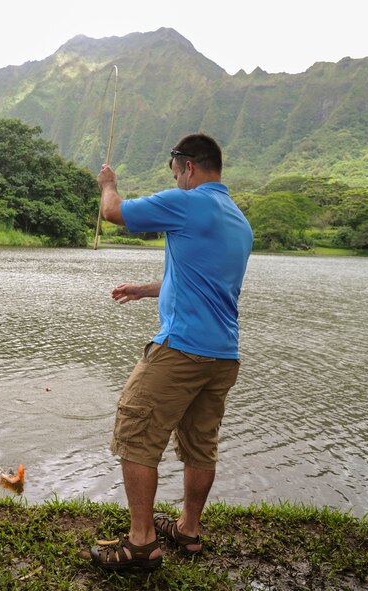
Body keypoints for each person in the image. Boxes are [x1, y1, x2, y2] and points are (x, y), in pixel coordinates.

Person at [88, 134, 253, 571]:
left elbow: (113, 211)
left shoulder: (190, 202)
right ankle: (188, 530)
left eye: (174, 170)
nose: (176, 178)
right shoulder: (237, 219)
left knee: (135, 427)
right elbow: (203, 281)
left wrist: (108, 182)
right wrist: (145, 290)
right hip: (223, 354)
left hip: (181, 349)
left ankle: (140, 544)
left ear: (188, 167)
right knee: (201, 443)